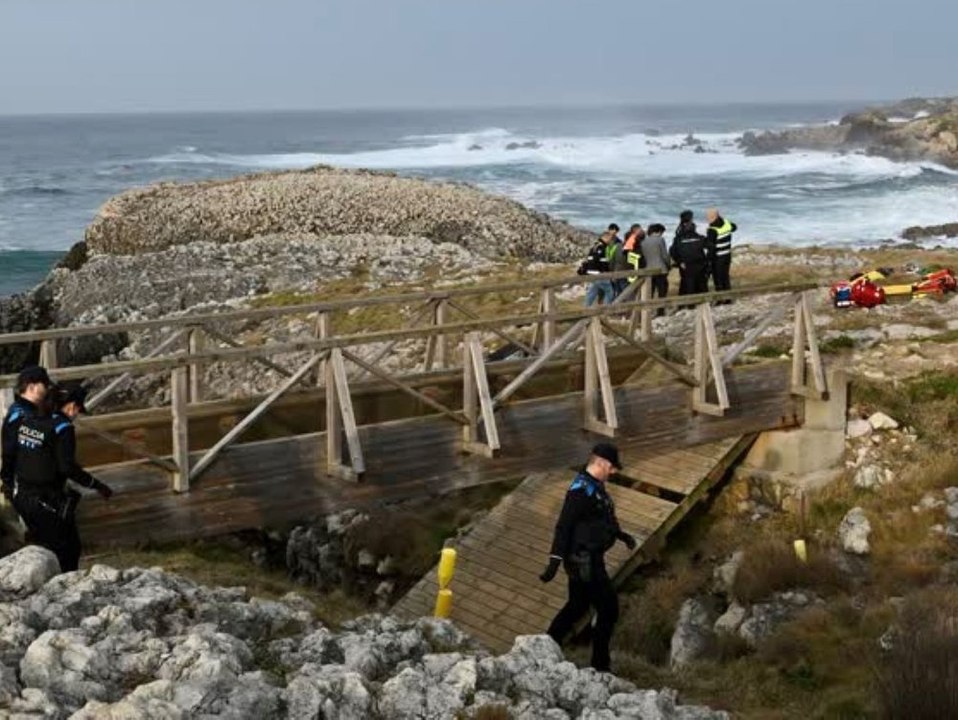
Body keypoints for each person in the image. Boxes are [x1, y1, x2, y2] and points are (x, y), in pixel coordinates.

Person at [539, 443, 636, 672]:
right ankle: (601, 665)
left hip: (586, 558)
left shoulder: (594, 485)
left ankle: (546, 645)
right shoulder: (580, 491)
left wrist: (621, 535)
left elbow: (600, 517)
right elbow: (564, 526)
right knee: (608, 608)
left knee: (577, 604)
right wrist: (554, 560)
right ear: (600, 463)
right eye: (611, 467)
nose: (613, 472)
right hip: (585, 561)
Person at [10, 383, 113, 572]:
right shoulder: (63, 428)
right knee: (69, 550)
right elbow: (67, 467)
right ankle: (63, 593)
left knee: (43, 550)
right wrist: (97, 485)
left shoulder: (28, 420)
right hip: (46, 502)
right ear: (72, 406)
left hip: (22, 497)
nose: (76, 415)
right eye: (78, 410)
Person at [1, 366, 53, 503]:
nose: (47, 389)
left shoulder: (17, 410)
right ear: (31, 387)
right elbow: (10, 452)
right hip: (31, 486)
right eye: (45, 385)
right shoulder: (23, 417)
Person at [669, 210, 708, 298]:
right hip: (698, 263)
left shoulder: (679, 235)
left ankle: (688, 304)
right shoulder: (694, 235)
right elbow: (706, 244)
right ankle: (701, 301)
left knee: (687, 283)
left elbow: (673, 251)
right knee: (700, 283)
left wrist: (679, 262)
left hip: (686, 264)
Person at [705, 208, 737, 300]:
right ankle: (728, 298)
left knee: (718, 279)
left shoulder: (712, 230)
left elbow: (711, 249)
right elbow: (734, 227)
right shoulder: (727, 223)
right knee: (725, 277)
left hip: (718, 257)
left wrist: (708, 261)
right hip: (727, 255)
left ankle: (720, 299)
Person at [639, 223, 671, 314]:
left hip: (649, 269)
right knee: (662, 291)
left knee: (650, 291)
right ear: (659, 231)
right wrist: (668, 265)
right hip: (661, 269)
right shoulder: (660, 240)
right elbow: (664, 255)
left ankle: (647, 310)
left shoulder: (644, 242)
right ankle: (660, 311)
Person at [579, 229, 616, 307]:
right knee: (610, 292)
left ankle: (585, 310)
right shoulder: (602, 248)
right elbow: (603, 263)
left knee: (591, 293)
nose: (610, 241)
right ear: (606, 237)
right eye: (610, 238)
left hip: (591, 274)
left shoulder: (594, 246)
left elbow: (589, 259)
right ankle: (605, 310)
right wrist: (608, 273)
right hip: (599, 274)